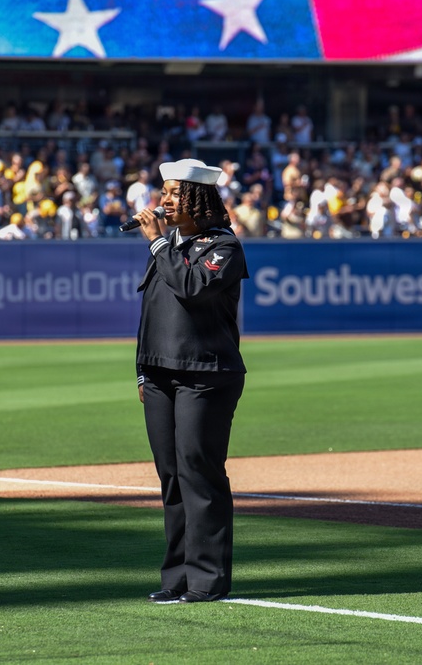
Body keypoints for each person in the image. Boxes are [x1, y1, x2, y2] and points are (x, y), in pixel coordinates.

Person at [132, 158, 248, 604]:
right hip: (160, 374)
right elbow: (151, 315)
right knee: (172, 478)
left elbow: (193, 287)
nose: (163, 201)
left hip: (206, 375)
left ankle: (207, 579)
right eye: (164, 193)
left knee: (199, 473)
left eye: (173, 194)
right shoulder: (169, 246)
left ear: (197, 200)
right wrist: (142, 369)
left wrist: (159, 245)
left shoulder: (224, 247)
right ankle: (177, 577)